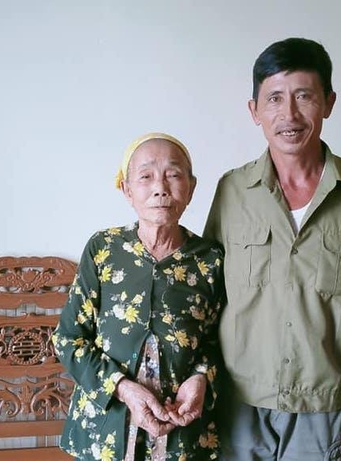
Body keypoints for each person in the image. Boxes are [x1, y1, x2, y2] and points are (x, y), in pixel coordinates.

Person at [203, 38, 341, 461]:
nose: (290, 115)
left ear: (328, 102)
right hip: (237, 405)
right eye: (274, 98)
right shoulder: (232, 191)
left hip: (323, 409)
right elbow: (204, 299)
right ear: (254, 110)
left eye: (304, 96)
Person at [53, 132, 226, 461]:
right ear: (127, 189)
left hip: (181, 430)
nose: (161, 187)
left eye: (173, 175)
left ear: (191, 187)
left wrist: (201, 377)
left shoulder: (210, 259)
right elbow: (68, 339)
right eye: (146, 176)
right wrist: (122, 387)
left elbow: (218, 341)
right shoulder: (104, 249)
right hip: (105, 430)